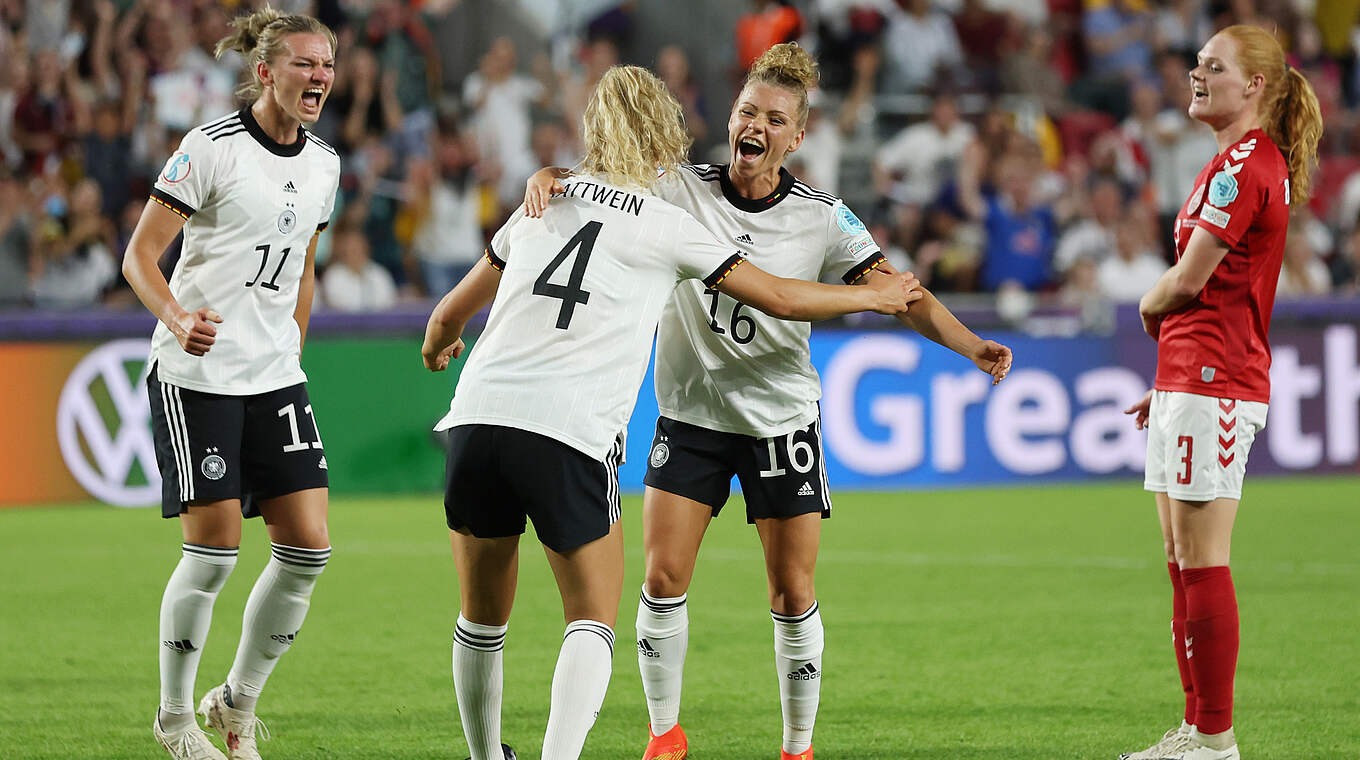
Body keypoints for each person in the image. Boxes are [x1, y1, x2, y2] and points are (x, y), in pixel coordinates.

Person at [525, 42, 1013, 760]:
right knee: (661, 580)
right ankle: (664, 735)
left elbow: (896, 291)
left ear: (797, 136)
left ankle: (797, 746)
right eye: (748, 110)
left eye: (774, 118)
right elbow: (596, 184)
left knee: (790, 591)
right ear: (730, 119)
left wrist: (970, 345)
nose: (756, 125)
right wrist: (547, 174)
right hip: (690, 415)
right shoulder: (675, 186)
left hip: (779, 421)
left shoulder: (823, 218)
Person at [424, 64, 920, 760]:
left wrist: (439, 344)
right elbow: (776, 295)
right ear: (666, 135)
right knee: (592, 620)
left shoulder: (541, 200)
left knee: (480, 621)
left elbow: (445, 317)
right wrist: (871, 298)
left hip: (474, 417)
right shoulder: (668, 223)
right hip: (568, 428)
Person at [120, 8, 341, 760]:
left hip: (274, 377)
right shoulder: (207, 149)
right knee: (213, 552)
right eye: (305, 64)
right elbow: (140, 257)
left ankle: (236, 705)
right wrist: (179, 319)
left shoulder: (325, 165)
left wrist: (293, 354)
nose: (319, 78)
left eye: (328, 66)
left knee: (308, 548)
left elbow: (305, 269)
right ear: (265, 72)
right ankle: (176, 718)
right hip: (197, 376)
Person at [1122, 25, 1321, 760]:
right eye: (1196, 64)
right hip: (1190, 380)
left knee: (1202, 558)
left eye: (1214, 67)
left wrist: (1148, 306)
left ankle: (1215, 738)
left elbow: (1189, 281)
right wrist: (1167, 382)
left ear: (1256, 86)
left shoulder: (1246, 165)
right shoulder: (1229, 164)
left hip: (1217, 381)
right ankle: (1196, 731)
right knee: (1180, 556)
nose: (1196, 75)